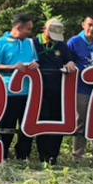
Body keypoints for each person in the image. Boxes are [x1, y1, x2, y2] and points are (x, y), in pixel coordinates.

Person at [0, 14, 38, 161]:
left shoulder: (30, 43)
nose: (30, 32)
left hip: (28, 92)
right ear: (18, 27)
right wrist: (13, 68)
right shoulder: (1, 42)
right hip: (9, 91)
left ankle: (23, 156)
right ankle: (2, 155)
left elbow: (35, 59)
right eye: (28, 29)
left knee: (27, 126)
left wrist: (35, 64)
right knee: (7, 126)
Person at [67, 15, 93, 165]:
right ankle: (78, 156)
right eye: (89, 25)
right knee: (80, 121)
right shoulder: (74, 42)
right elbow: (68, 61)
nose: (92, 28)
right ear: (83, 25)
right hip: (80, 88)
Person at [33, 18, 74, 166]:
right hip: (39, 90)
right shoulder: (34, 43)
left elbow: (69, 60)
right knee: (42, 120)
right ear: (45, 29)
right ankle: (42, 155)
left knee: (58, 121)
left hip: (58, 89)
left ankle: (53, 155)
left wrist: (69, 63)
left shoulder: (62, 45)